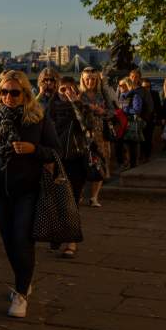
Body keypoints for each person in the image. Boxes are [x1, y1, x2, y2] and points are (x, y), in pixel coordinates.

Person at [0, 70, 61, 319]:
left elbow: (55, 150)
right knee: (8, 240)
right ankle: (24, 277)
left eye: (14, 92)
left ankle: (21, 293)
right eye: (3, 92)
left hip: (28, 188)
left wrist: (34, 149)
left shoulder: (37, 118)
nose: (8, 97)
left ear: (25, 93)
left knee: (22, 239)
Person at [53, 77, 96, 258]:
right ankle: (58, 233)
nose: (66, 93)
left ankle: (71, 242)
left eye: (70, 89)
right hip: (56, 159)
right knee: (56, 201)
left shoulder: (83, 107)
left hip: (75, 160)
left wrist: (76, 104)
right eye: (63, 90)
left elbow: (88, 127)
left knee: (72, 201)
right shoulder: (52, 108)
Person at [78, 67, 115, 206]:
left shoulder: (103, 93)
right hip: (83, 133)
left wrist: (102, 111)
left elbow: (113, 112)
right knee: (82, 163)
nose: (90, 81)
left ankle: (94, 197)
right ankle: (79, 194)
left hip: (100, 133)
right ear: (82, 79)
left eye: (93, 79)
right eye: (87, 78)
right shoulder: (78, 94)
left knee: (100, 163)